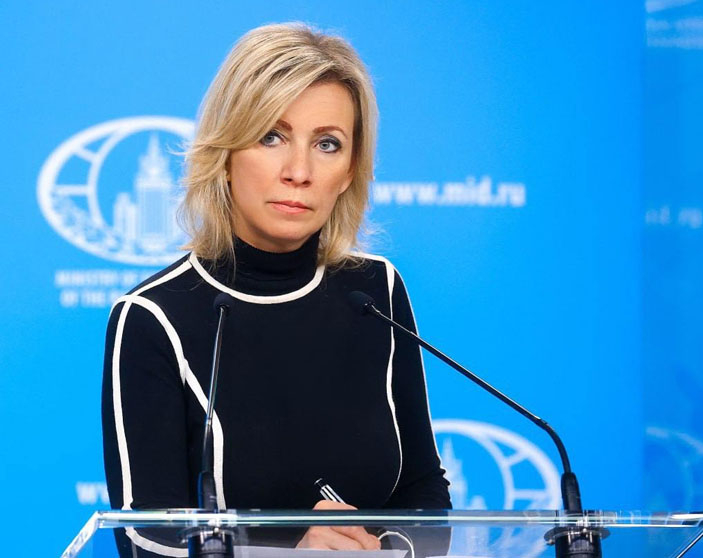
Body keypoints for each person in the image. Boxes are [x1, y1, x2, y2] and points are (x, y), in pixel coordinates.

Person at [102, 22, 451, 557]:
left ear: (349, 170)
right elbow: (146, 543)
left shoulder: (375, 291)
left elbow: (425, 492)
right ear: (226, 151)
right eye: (272, 136)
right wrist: (292, 555)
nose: (299, 171)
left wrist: (386, 550)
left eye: (327, 144)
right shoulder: (153, 317)